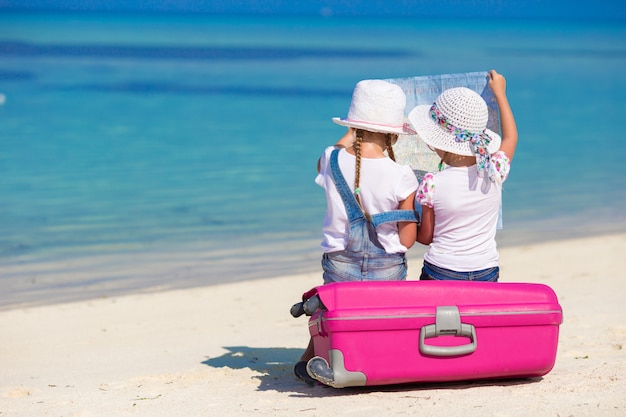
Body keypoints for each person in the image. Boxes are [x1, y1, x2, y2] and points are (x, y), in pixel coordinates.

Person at [294, 79, 419, 385]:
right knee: (381, 322)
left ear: (353, 126)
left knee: (336, 319)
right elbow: (407, 241)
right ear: (393, 132)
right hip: (386, 267)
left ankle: (312, 357)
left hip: (340, 261)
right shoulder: (402, 174)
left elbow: (326, 158)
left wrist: (348, 136)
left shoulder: (331, 158)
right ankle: (372, 362)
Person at [408, 69, 518, 281]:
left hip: (441, 270)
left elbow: (427, 237)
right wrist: (501, 94)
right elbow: (511, 137)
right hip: (486, 269)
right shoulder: (494, 170)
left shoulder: (432, 183)